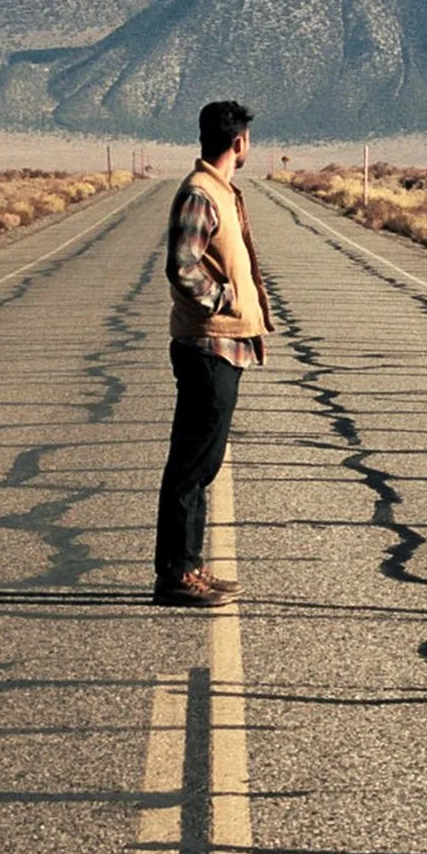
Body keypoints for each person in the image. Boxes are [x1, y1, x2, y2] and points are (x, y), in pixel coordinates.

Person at [152, 98, 273, 607]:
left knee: (205, 463)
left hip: (223, 344)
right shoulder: (202, 194)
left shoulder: (219, 192)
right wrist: (221, 302)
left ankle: (190, 565)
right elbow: (183, 266)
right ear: (239, 143)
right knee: (192, 464)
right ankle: (176, 574)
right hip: (208, 343)